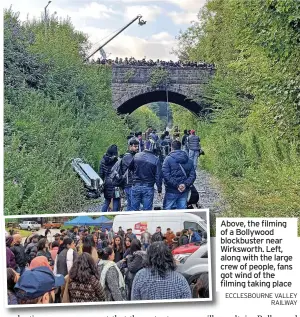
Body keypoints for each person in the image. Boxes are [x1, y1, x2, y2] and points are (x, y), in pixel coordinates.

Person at [162, 140, 196, 210]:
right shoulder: (189, 160)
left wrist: (176, 185)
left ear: (171, 147)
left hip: (171, 190)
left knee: (167, 210)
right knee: (182, 210)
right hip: (184, 190)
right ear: (180, 147)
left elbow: (166, 175)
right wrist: (185, 185)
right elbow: (193, 175)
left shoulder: (167, 159)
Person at [130, 140, 163, 210]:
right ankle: (145, 221)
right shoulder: (156, 159)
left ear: (145, 146)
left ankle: (135, 220)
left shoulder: (137, 156)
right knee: (147, 210)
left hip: (136, 185)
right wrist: (159, 189)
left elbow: (130, 168)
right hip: (148, 186)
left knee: (133, 210)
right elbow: (158, 176)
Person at [99, 144, 121, 212]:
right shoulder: (117, 160)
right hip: (115, 183)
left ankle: (102, 216)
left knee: (107, 201)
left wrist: (102, 183)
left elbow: (101, 173)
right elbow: (120, 171)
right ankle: (115, 216)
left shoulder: (103, 160)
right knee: (116, 199)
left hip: (107, 183)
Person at [121, 138, 139, 211]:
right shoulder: (128, 157)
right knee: (133, 204)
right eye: (135, 146)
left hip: (130, 183)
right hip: (129, 183)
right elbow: (135, 167)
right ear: (130, 146)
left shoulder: (132, 155)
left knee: (130, 204)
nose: (137, 148)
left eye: (137, 146)